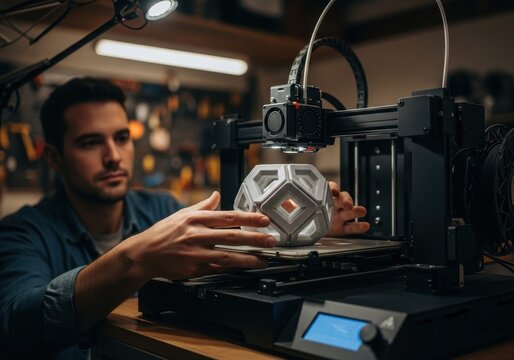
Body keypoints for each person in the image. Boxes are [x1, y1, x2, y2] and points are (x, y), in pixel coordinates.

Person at [0, 77, 370, 359]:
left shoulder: (162, 210)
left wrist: (307, 228)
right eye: (90, 142)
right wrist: (135, 259)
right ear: (53, 157)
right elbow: (17, 323)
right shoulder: (22, 233)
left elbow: (233, 256)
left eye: (122, 137)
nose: (113, 156)